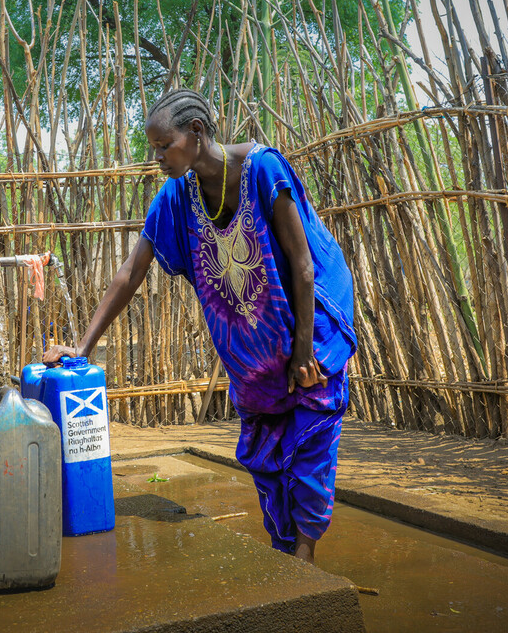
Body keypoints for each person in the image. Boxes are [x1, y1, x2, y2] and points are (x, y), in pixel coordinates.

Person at [43, 88, 357, 563]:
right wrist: (82, 349)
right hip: (255, 349)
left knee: (311, 440)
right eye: (153, 150)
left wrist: (301, 351)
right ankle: (285, 545)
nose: (157, 159)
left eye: (163, 146)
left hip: (312, 328)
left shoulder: (263, 169)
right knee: (264, 449)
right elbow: (130, 273)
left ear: (195, 132)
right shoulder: (175, 199)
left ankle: (304, 556)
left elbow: (303, 264)